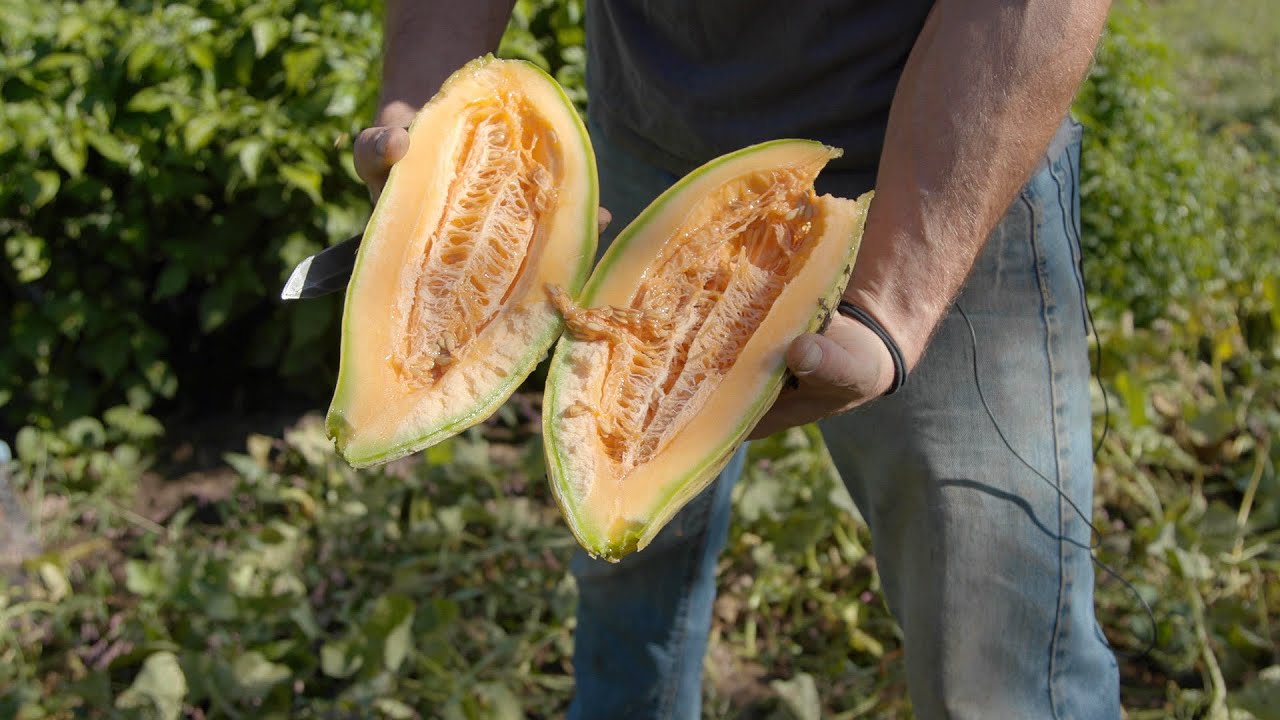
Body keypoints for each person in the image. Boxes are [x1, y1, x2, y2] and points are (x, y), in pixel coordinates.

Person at [353, 1, 1121, 717]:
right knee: (623, 547)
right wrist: (425, 113)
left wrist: (898, 306)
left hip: (952, 160)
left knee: (992, 640)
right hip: (647, 129)